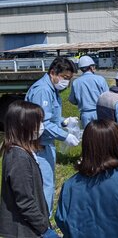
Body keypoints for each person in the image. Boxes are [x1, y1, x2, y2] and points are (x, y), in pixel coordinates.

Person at [25, 57, 80, 214]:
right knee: (45, 185)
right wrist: (65, 136)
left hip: (46, 143)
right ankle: (43, 221)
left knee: (47, 182)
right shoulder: (42, 90)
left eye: (69, 79)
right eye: (65, 78)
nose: (66, 83)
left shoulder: (52, 89)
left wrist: (64, 122)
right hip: (38, 146)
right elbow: (42, 123)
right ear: (53, 73)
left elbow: (51, 117)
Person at [0, 101, 58, 238]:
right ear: (24, 125)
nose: (41, 127)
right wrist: (44, 229)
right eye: (38, 122)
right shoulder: (18, 158)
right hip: (23, 231)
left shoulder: (24, 152)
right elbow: (25, 202)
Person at [68, 55, 109, 128]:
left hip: (85, 114)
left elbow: (72, 100)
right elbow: (107, 97)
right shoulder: (100, 79)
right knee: (102, 136)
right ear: (91, 67)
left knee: (88, 137)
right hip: (100, 112)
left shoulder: (76, 82)